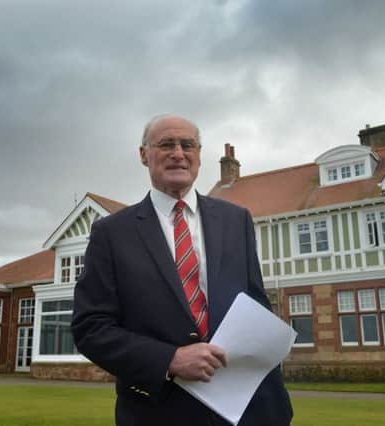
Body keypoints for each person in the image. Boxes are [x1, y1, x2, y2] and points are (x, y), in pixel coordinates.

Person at [72, 115, 293, 426]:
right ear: (143, 154)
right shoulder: (111, 233)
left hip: (251, 411)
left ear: (199, 155)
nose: (178, 153)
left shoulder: (236, 220)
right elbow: (90, 328)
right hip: (159, 412)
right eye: (166, 144)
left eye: (187, 144)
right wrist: (170, 360)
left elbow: (256, 304)